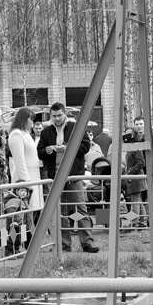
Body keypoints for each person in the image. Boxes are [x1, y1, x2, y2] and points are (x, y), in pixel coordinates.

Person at [37, 102, 99, 253]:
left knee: (80, 208)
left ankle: (87, 242)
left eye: (59, 115)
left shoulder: (76, 128)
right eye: (54, 116)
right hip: (55, 176)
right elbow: (39, 152)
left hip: (74, 175)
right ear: (50, 116)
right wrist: (48, 150)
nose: (57, 119)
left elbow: (85, 147)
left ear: (64, 114)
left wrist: (68, 148)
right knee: (60, 211)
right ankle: (64, 244)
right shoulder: (46, 132)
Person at [7, 107, 43, 253]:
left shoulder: (26, 134)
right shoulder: (16, 135)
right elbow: (19, 160)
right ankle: (16, 245)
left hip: (34, 175)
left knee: (31, 213)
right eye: (30, 119)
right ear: (24, 119)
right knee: (20, 215)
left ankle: (28, 243)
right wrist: (26, 183)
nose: (32, 123)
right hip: (24, 178)